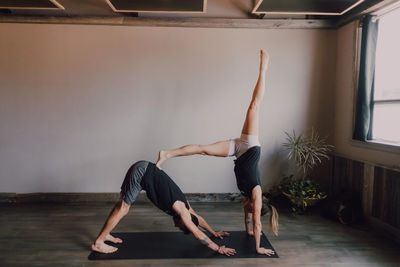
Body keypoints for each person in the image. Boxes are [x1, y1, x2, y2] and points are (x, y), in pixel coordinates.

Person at [156, 50, 278, 256]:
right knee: (254, 107)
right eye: (250, 208)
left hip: (238, 152)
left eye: (248, 209)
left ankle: (167, 154)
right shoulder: (256, 194)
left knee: (203, 149)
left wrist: (248, 233)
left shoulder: (248, 200)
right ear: (257, 204)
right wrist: (258, 247)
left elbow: (249, 221)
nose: (247, 210)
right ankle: (264, 68)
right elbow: (257, 222)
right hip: (250, 146)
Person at [91, 160, 236, 256]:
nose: (176, 226)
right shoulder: (182, 211)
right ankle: (98, 243)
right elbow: (198, 234)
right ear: (184, 221)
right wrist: (218, 248)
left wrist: (213, 232)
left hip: (144, 169)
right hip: (141, 172)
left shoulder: (186, 206)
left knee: (121, 206)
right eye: (180, 226)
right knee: (123, 208)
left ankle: (106, 234)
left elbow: (199, 219)